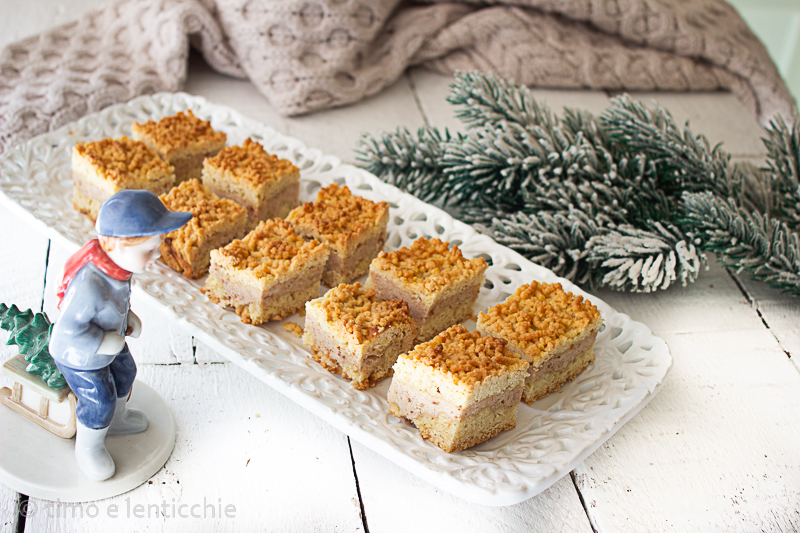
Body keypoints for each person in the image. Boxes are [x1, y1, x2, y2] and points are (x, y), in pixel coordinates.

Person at [49, 190, 191, 481]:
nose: (158, 254)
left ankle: (116, 420)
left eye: (159, 245)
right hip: (80, 356)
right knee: (99, 399)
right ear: (119, 245)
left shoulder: (117, 269)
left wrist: (128, 318)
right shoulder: (89, 284)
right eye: (149, 249)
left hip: (111, 341)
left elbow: (113, 305)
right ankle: (88, 447)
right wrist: (102, 341)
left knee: (126, 374)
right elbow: (64, 334)